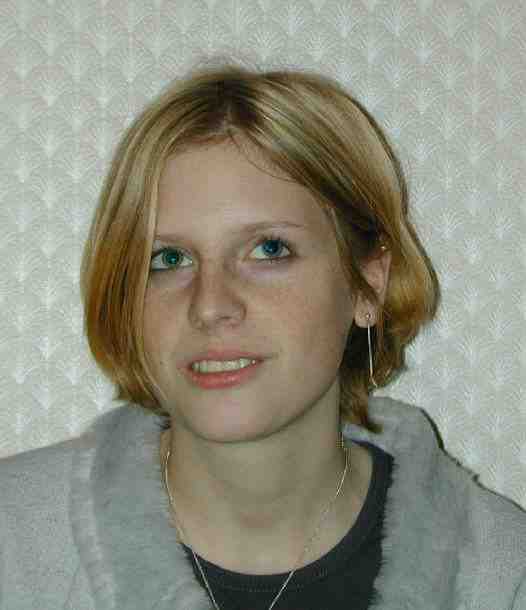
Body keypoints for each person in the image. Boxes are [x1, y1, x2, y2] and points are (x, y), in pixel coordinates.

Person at [1, 59, 525, 610]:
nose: (210, 306)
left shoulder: (501, 578)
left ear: (368, 285)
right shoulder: (14, 548)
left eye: (269, 249)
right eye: (169, 258)